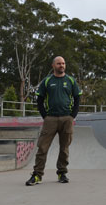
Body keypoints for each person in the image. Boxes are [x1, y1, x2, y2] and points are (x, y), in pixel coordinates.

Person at [26, 56, 81, 186]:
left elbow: (77, 98)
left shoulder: (71, 81)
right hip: (50, 119)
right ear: (53, 66)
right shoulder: (47, 81)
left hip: (67, 119)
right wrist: (45, 115)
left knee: (64, 148)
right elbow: (39, 99)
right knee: (42, 148)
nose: (61, 65)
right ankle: (37, 175)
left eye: (63, 63)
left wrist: (72, 115)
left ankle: (62, 173)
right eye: (58, 63)